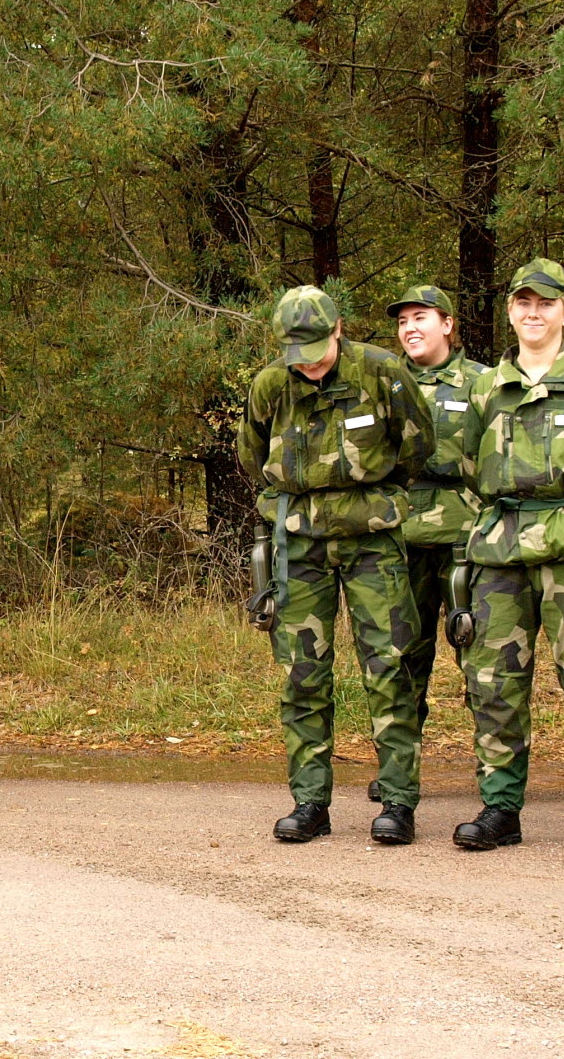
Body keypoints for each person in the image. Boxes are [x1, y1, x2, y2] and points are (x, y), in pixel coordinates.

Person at [237, 285, 434, 845]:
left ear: (339, 328)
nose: (310, 361)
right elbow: (252, 455)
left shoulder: (382, 372)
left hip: (372, 541)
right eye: (297, 350)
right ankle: (309, 802)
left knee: (389, 667)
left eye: (318, 347)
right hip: (299, 543)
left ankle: (397, 802)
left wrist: (376, 499)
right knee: (302, 674)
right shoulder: (271, 385)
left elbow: (417, 446)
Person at [454, 259, 564, 857]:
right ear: (510, 311)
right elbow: (464, 463)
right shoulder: (485, 386)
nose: (533, 313)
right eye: (522, 303)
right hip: (501, 550)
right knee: (494, 683)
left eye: (545, 303)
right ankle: (501, 808)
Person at [388, 284, 486, 805]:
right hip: (402, 535)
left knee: (482, 657)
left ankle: (496, 771)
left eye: (421, 317)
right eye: (403, 320)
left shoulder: (483, 383)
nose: (411, 328)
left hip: (468, 538)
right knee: (402, 657)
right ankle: (399, 770)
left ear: (447, 324)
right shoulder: (387, 382)